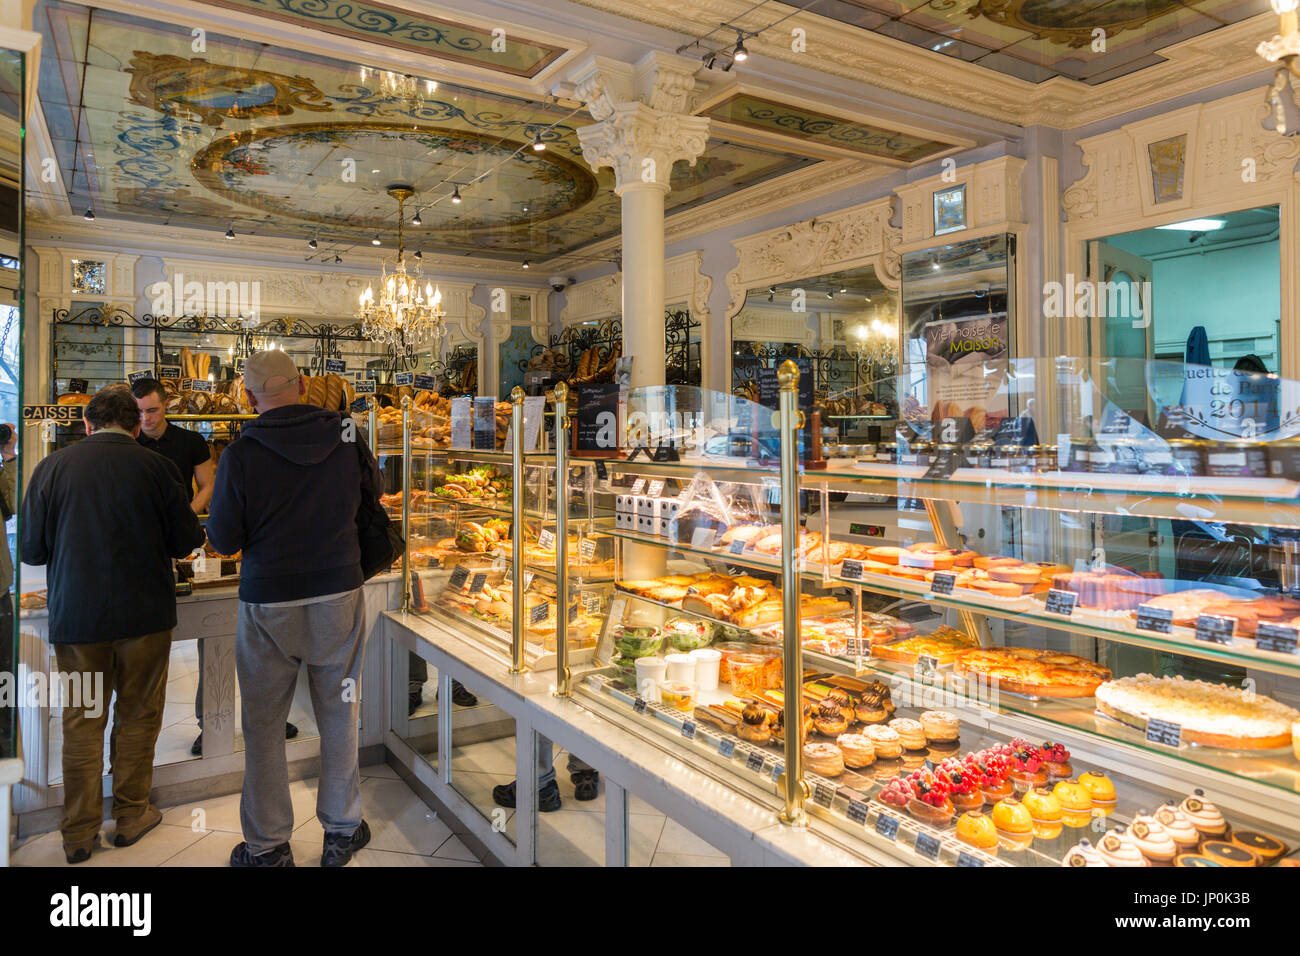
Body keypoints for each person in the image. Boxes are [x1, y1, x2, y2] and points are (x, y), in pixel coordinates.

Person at [207, 349, 377, 867]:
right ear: (302, 386)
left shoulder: (241, 452)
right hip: (338, 592)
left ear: (250, 396)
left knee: (262, 725)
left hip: (268, 599)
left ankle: (267, 846)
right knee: (340, 713)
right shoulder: (347, 437)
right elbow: (374, 502)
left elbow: (223, 536)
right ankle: (343, 830)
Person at [20, 386, 204, 863]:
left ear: (87, 424)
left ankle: (78, 833)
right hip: (145, 616)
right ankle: (131, 814)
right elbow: (186, 541)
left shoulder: (50, 469)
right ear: (134, 423)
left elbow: (32, 552)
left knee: (82, 723)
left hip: (77, 619)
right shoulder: (158, 468)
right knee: (139, 715)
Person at [131, 377, 297, 755]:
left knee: (234, 636)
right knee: (159, 645)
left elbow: (208, 485)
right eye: (139, 412)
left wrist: (183, 516)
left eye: (153, 410)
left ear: (167, 406)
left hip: (191, 541)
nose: (146, 418)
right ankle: (149, 735)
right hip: (145, 548)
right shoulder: (129, 443)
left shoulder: (189, 442)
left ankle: (229, 723)